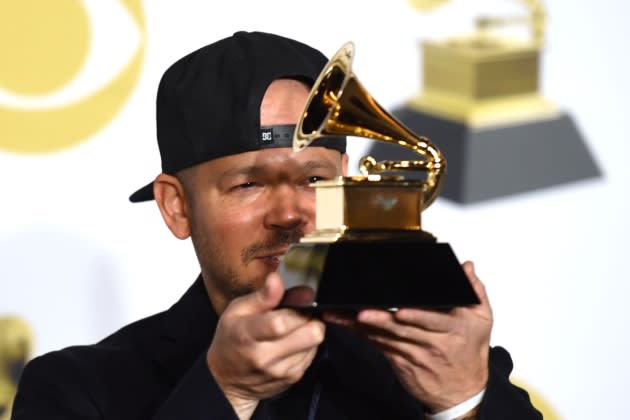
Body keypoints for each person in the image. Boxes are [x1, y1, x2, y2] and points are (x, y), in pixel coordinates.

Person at [11, 31, 542, 420]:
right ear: (176, 207)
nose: (290, 214)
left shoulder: (447, 366)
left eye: (315, 179)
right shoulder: (77, 390)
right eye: (248, 184)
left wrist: (463, 400)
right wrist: (225, 392)